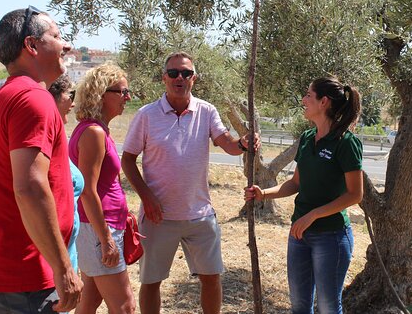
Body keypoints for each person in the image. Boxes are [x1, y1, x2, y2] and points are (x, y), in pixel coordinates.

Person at [121, 51, 260, 314]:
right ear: (164, 78)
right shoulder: (146, 115)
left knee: (211, 278)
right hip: (158, 217)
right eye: (173, 73)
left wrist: (243, 144)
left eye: (186, 73)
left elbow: (227, 144)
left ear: (194, 78)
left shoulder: (206, 111)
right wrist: (146, 198)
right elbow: (128, 160)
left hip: (200, 215)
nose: (179, 78)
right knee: (151, 281)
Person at [0, 6, 83, 313]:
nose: (66, 45)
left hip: (11, 274)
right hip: (27, 278)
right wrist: (63, 267)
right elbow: (29, 187)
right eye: (57, 36)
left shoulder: (7, 96)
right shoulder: (33, 98)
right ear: (31, 46)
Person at [245, 77, 363, 314]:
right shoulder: (308, 139)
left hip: (332, 237)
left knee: (329, 307)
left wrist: (313, 215)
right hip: (299, 235)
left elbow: (355, 195)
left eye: (309, 95)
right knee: (299, 306)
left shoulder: (346, 143)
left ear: (324, 102)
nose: (304, 100)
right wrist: (262, 194)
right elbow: (296, 183)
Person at [69, 63, 135, 314]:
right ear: (100, 94)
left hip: (97, 227)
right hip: (98, 228)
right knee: (125, 306)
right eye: (122, 91)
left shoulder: (96, 130)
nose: (127, 97)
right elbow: (87, 190)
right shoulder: (94, 133)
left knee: (90, 300)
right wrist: (106, 238)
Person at [48, 74, 85, 274]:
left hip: (66, 253)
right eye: (70, 95)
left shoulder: (59, 133)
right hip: (53, 262)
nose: (73, 102)